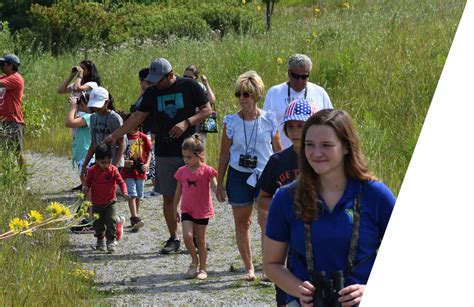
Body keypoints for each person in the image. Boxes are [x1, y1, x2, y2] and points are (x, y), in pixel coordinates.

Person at [263, 109, 396, 306]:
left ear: (346, 147)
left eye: (326, 145)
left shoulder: (375, 195)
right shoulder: (286, 197)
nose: (316, 153)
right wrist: (298, 289)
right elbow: (271, 264)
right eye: (309, 145)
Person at [104, 58, 212, 255]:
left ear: (171, 75)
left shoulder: (189, 86)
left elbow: (207, 110)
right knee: (169, 198)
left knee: (194, 196)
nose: (156, 84)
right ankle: (175, 237)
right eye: (153, 80)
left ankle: (196, 237)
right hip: (164, 151)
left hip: (190, 151)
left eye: (159, 80)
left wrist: (187, 122)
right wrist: (115, 135)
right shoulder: (153, 92)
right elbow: (137, 117)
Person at [216, 70, 282, 281]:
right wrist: (219, 183)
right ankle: (249, 267)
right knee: (242, 222)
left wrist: (285, 180)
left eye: (246, 94)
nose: (242, 99)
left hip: (266, 176)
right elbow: (224, 153)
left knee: (266, 221)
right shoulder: (231, 122)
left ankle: (267, 267)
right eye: (239, 94)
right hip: (238, 176)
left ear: (256, 95)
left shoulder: (269, 120)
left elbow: (279, 153)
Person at [257, 98, 317, 302]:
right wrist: (281, 206)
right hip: (288, 234)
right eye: (290, 126)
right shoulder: (278, 161)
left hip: (319, 230)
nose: (295, 131)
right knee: (286, 286)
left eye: (301, 125)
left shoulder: (323, 159)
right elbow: (263, 199)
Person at [264, 54, 333, 149]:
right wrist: (279, 155)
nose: (300, 81)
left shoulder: (320, 93)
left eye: (304, 76)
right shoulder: (274, 93)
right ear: (289, 73)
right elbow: (267, 127)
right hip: (281, 155)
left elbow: (330, 125)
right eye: (296, 76)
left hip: (313, 154)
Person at [173, 134, 217, 280]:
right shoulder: (182, 171)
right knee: (187, 236)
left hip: (202, 211)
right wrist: (175, 208)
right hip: (187, 209)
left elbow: (215, 186)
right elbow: (178, 191)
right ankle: (194, 260)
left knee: (201, 240)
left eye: (189, 157)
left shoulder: (207, 171)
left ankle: (203, 268)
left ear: (199, 155)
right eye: (184, 157)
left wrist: (219, 192)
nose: (186, 160)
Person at [83, 143, 129, 253]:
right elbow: (88, 182)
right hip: (96, 203)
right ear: (97, 160)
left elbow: (121, 182)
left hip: (110, 202)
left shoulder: (113, 170)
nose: (106, 165)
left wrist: (125, 191)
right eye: (103, 162)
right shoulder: (93, 170)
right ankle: (100, 240)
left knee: (111, 220)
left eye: (109, 162)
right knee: (97, 223)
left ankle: (111, 240)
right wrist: (85, 187)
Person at [80, 86, 125, 179]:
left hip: (113, 162)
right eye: (94, 106)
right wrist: (85, 164)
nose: (96, 108)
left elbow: (122, 143)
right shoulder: (93, 118)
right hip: (100, 162)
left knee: (110, 191)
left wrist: (115, 166)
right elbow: (93, 143)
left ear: (107, 102)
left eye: (98, 106)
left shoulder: (115, 118)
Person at [121, 113, 152, 232]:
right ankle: (135, 217)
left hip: (140, 171)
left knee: (139, 195)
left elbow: (149, 152)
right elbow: (120, 152)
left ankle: (136, 217)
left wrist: (147, 164)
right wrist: (124, 161)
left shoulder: (143, 137)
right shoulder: (124, 137)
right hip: (128, 171)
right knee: (132, 194)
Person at [0, 54, 26, 166]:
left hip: (13, 120)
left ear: (10, 65)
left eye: (3, 64)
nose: (1, 66)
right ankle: (8, 176)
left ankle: (23, 177)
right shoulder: (5, 77)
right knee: (4, 150)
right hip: (4, 119)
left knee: (17, 151)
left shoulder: (16, 78)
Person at [183, 65, 217, 143]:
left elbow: (212, 100)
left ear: (196, 78)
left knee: (199, 146)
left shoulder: (200, 87)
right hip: (185, 120)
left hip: (199, 120)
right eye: (185, 76)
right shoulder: (181, 86)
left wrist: (206, 83)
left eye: (190, 78)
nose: (187, 79)